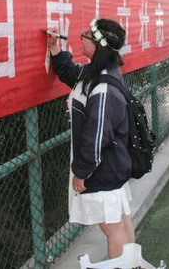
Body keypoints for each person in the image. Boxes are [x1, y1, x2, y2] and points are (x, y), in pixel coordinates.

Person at [47, 19, 134, 258]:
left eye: (86, 34)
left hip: (103, 168)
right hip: (111, 164)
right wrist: (55, 49)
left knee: (111, 226)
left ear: (98, 44)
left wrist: (83, 172)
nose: (80, 36)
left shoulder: (103, 85)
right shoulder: (95, 73)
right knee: (119, 221)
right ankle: (132, 264)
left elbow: (98, 135)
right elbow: (69, 72)